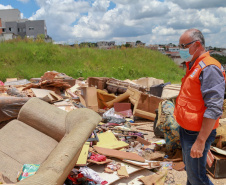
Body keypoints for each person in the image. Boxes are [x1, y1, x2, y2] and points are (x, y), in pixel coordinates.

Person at [174, 28, 225, 185]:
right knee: (192, 173)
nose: (180, 50)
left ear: (196, 45)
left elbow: (215, 108)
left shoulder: (209, 68)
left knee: (198, 178)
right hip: (188, 130)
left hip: (197, 133)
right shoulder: (194, 64)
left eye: (183, 46)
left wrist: (201, 140)